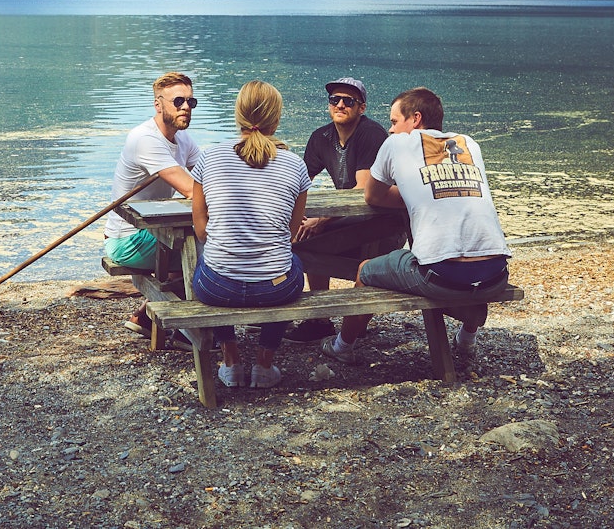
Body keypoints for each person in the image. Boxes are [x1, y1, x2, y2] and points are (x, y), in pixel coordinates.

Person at [320, 87, 512, 364]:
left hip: (442, 278)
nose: (390, 129)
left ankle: (342, 346)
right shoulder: (469, 144)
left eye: (394, 121)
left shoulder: (397, 144)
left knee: (365, 270)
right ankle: (467, 339)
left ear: (416, 119)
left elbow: (372, 196)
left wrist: (413, 197)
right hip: (495, 275)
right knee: (471, 253)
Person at [191, 80, 311, 389]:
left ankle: (231, 361)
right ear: (276, 118)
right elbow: (290, 232)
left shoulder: (209, 157)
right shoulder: (295, 165)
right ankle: (264, 365)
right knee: (292, 263)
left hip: (217, 288)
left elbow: (201, 230)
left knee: (207, 261)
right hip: (275, 289)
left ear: (238, 115)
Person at [285, 76, 405, 344]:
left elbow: (362, 191)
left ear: (361, 108)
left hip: (383, 226)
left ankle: (341, 320)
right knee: (302, 232)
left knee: (311, 234)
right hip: (350, 221)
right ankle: (318, 319)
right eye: (334, 99)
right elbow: (300, 183)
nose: (340, 105)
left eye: (348, 101)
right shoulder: (321, 137)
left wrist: (321, 219)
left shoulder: (371, 134)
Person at [104, 72, 202, 344]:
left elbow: (210, 177)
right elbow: (192, 189)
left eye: (191, 102)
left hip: (154, 233)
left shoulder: (183, 139)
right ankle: (190, 332)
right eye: (178, 101)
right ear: (158, 105)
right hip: (127, 240)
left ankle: (146, 319)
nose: (185, 107)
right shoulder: (145, 138)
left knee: (195, 238)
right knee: (208, 249)